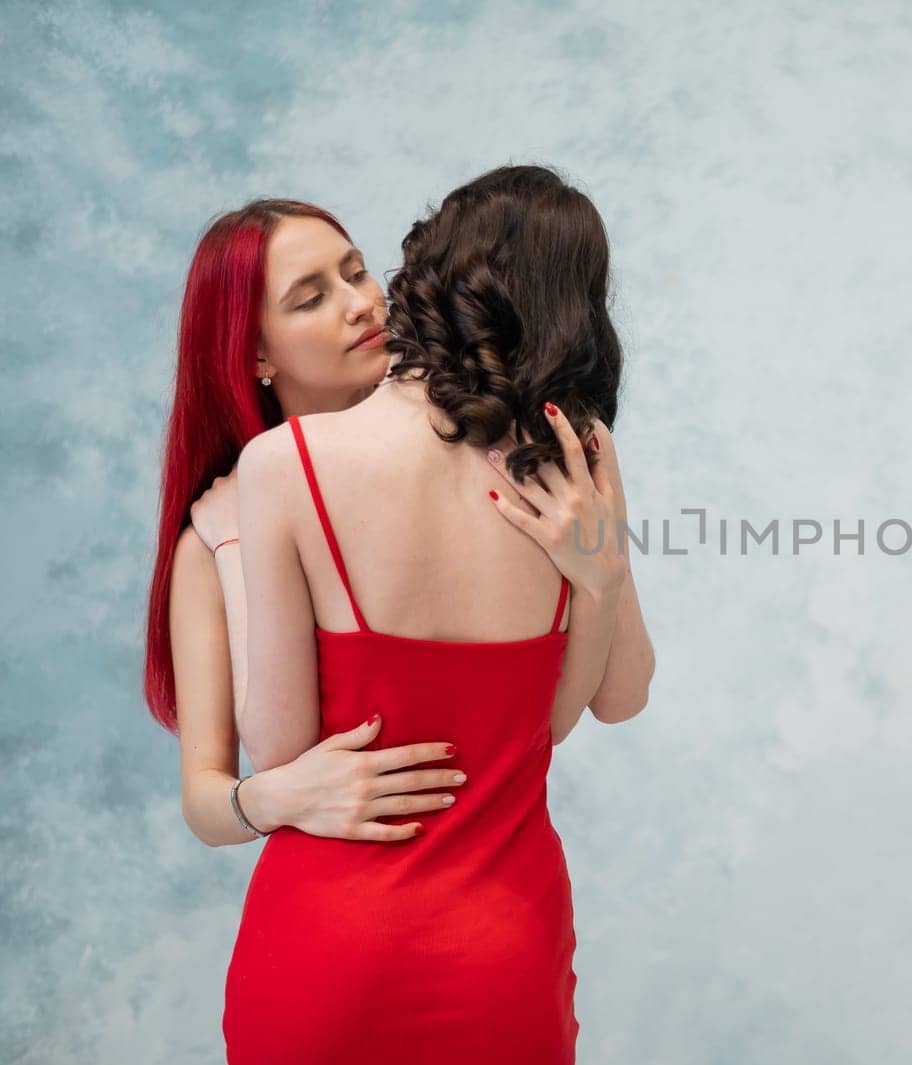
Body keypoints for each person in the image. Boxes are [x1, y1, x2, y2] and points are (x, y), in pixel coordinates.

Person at [222, 164, 649, 1062]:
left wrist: (230, 559)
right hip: (503, 950)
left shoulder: (284, 462)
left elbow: (283, 746)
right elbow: (608, 701)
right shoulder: (578, 453)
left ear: (430, 271)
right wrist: (601, 577)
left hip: (324, 944)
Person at [148, 200, 475, 847]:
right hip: (330, 895)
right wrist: (272, 795)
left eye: (356, 272)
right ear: (254, 354)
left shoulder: (461, 454)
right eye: (311, 298)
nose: (361, 304)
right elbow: (205, 799)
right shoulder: (213, 537)